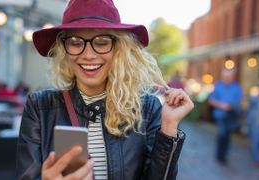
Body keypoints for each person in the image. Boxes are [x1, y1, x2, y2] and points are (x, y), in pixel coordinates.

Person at [16, 0, 194, 179]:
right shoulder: (40, 107)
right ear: (64, 49)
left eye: (101, 42)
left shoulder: (147, 108)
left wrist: (169, 127)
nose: (88, 55)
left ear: (118, 48)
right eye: (76, 42)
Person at [208, 69, 243, 165]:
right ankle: (220, 156)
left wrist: (231, 105)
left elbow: (239, 101)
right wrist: (221, 105)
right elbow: (211, 100)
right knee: (222, 134)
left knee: (227, 136)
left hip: (231, 115)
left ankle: (223, 155)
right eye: (226, 77)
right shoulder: (218, 85)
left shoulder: (237, 87)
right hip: (220, 115)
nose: (227, 79)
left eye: (229, 77)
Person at [246, 79, 259, 166]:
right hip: (255, 123)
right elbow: (249, 110)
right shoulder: (254, 99)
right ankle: (256, 159)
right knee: (255, 141)